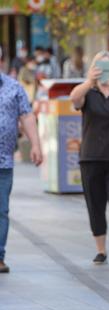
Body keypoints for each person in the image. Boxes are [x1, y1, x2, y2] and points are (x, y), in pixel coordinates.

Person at [70, 51, 109, 265]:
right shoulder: (88, 92)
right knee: (95, 205)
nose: (105, 72)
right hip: (91, 158)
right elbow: (74, 99)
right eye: (101, 67)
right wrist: (90, 81)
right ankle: (101, 250)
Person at [0, 46, 43, 273]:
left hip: (4, 161)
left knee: (2, 210)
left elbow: (26, 116)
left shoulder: (14, 87)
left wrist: (35, 144)